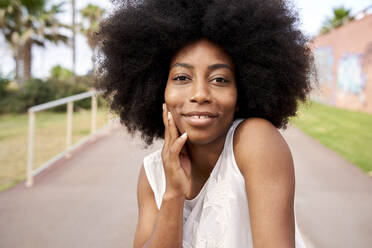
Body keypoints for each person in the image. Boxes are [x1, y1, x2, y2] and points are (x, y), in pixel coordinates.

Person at [97, 0, 314, 247]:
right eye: (181, 77)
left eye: (220, 79)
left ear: (241, 93)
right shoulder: (152, 173)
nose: (200, 94)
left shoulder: (255, 141)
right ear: (158, 90)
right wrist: (174, 194)